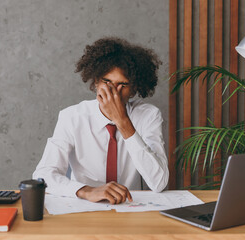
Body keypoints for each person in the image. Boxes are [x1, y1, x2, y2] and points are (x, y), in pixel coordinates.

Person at [33, 37, 169, 205]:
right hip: (84, 207)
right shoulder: (72, 117)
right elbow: (43, 175)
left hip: (131, 207)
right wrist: (86, 191)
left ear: (134, 89)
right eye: (107, 82)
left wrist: (122, 121)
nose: (114, 92)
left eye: (123, 85)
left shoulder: (149, 116)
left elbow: (159, 182)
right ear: (96, 82)